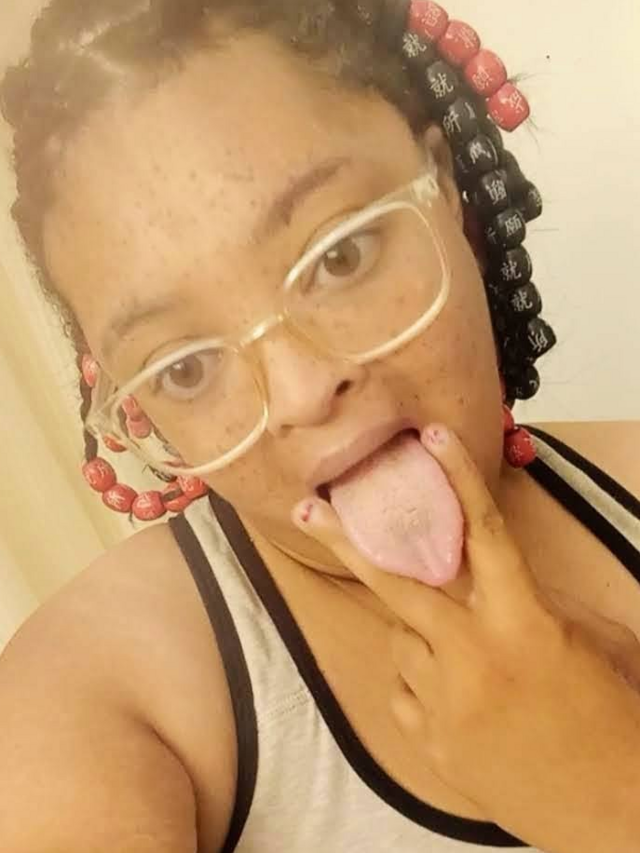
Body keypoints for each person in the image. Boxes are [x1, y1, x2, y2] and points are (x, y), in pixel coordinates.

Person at [0, 1, 639, 851]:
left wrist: (607, 795)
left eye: (340, 255)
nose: (302, 391)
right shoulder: (101, 695)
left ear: (446, 188)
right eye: (185, 366)